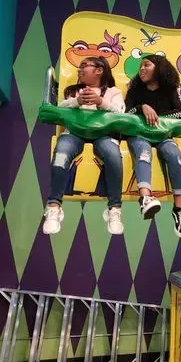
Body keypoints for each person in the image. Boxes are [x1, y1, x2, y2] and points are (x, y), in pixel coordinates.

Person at [43, 56, 125, 235]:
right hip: (74, 133)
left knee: (113, 155)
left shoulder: (113, 92)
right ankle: (54, 206)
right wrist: (77, 102)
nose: (79, 69)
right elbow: (59, 110)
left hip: (103, 134)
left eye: (84, 66)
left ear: (99, 70)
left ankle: (114, 209)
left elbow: (120, 112)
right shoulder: (73, 91)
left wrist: (100, 102)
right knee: (61, 153)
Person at [124, 54, 181, 238]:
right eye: (140, 66)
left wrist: (157, 119)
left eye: (147, 65)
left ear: (159, 68)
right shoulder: (134, 90)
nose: (142, 69)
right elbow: (126, 113)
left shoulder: (171, 90)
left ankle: (179, 208)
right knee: (143, 152)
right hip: (138, 135)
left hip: (162, 136)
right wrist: (142, 107)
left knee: (175, 155)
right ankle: (145, 198)